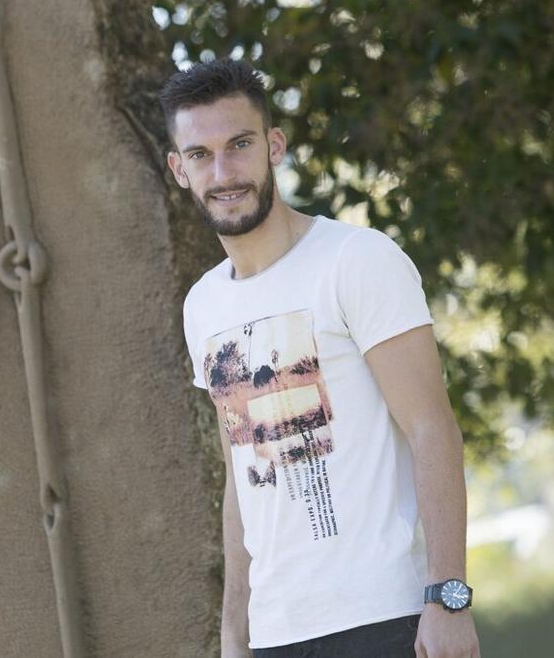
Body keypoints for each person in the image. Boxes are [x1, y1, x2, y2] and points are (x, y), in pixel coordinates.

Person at [165, 59, 481, 658]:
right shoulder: (202, 305)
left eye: (239, 144)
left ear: (274, 146)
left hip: (386, 618)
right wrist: (235, 630)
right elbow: (241, 477)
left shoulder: (356, 260)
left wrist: (448, 599)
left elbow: (432, 428)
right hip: (278, 631)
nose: (224, 171)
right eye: (201, 155)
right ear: (179, 170)